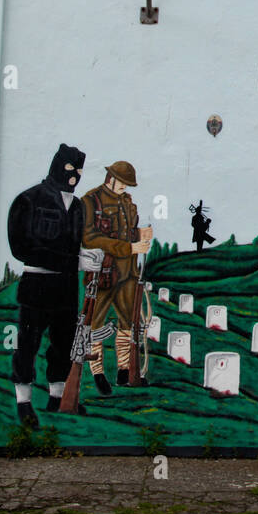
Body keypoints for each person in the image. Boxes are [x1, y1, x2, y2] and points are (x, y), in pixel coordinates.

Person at [7, 144, 88, 428]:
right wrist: (72, 261)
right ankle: (24, 401)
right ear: (56, 165)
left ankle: (57, 397)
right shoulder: (29, 200)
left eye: (78, 170)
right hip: (37, 283)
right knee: (28, 343)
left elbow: (77, 245)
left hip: (65, 287)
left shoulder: (77, 207)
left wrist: (82, 260)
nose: (74, 176)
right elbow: (21, 248)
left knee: (63, 343)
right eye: (69, 168)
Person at [80, 161, 153, 392]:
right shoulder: (91, 201)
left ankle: (124, 370)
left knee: (128, 324)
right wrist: (128, 248)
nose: (126, 187)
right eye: (123, 182)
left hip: (128, 274)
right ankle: (98, 373)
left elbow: (126, 232)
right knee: (95, 325)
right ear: (111, 178)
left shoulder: (127, 203)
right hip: (102, 276)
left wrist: (139, 234)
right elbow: (89, 238)